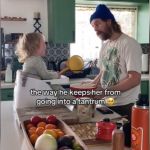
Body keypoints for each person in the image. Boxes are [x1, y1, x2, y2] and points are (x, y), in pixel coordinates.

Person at [89, 4, 142, 121]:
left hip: (125, 105)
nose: (95, 29)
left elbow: (134, 79)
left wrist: (105, 92)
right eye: (93, 26)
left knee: (123, 138)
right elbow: (103, 72)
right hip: (108, 102)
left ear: (108, 21)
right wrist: (89, 88)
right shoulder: (105, 46)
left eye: (97, 24)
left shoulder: (129, 44)